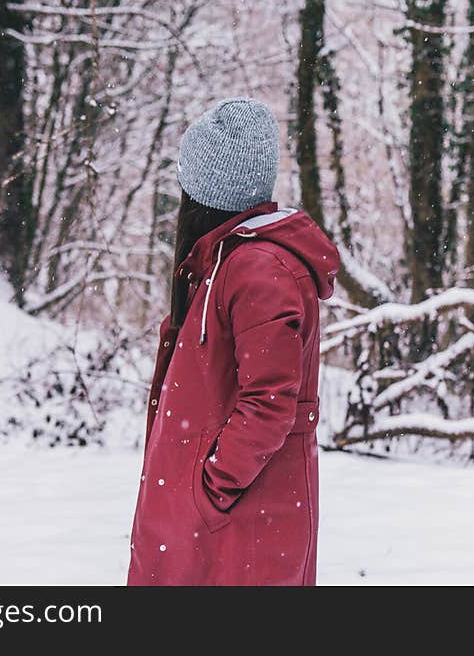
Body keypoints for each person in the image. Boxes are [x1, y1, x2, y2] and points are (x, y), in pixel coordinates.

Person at [127, 97, 340, 586]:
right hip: (215, 523)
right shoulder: (227, 263)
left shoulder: (259, 270)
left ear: (203, 191)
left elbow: (268, 403)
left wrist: (209, 490)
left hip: (237, 523)